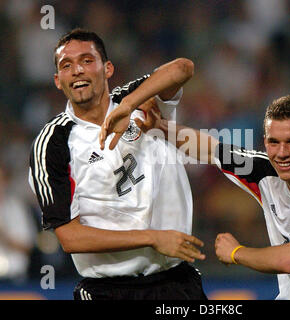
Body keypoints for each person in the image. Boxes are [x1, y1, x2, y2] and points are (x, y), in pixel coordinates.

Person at [100, 94, 290, 300]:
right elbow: (211, 149)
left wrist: (237, 253)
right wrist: (161, 127)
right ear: (265, 142)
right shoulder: (266, 170)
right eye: (274, 142)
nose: (282, 152)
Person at [28, 28, 207, 300]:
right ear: (57, 80)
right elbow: (70, 238)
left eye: (87, 61)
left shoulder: (140, 100)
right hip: (107, 291)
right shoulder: (52, 143)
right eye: (67, 65)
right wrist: (152, 237)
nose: (77, 70)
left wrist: (127, 106)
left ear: (107, 68)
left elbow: (183, 68)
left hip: (177, 282)